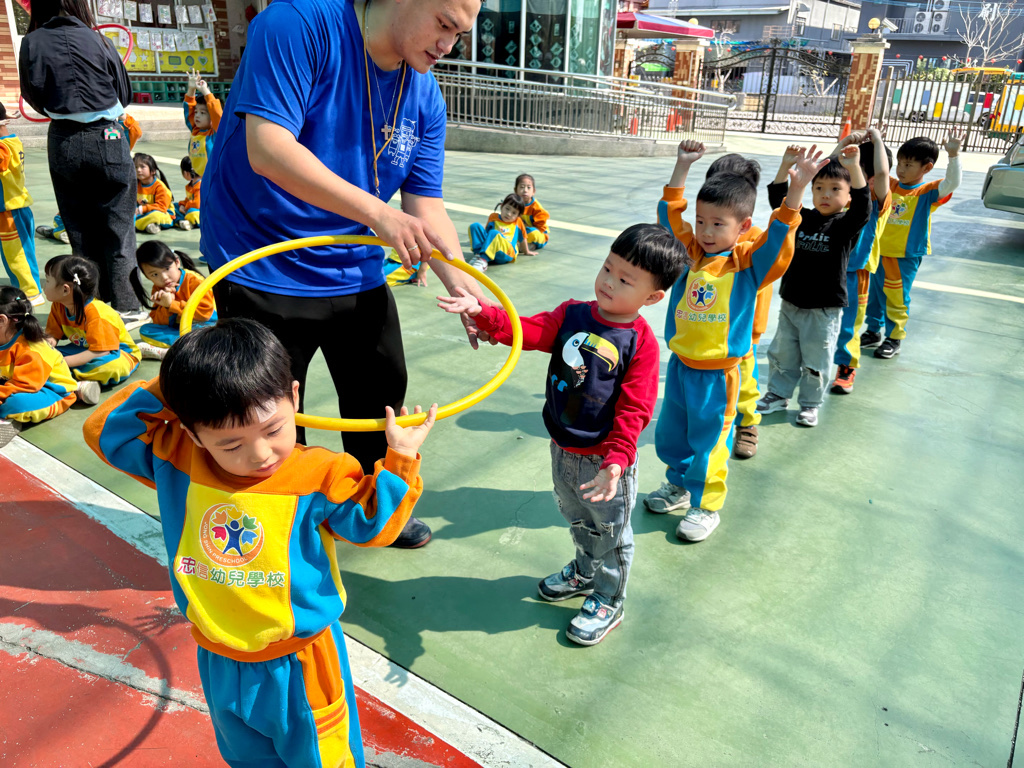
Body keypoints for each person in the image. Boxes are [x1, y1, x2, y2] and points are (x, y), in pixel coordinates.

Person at [83, 318, 436, 768]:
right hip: (218, 655)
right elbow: (104, 429)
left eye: (273, 430)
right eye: (231, 445)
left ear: (294, 397)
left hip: (301, 661)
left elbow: (372, 525)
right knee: (247, 758)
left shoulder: (318, 472)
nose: (260, 454)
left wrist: (400, 459)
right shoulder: (178, 458)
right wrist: (187, 386)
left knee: (322, 759)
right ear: (192, 431)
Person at [200, 0, 485, 549]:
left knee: (382, 389)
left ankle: (372, 503)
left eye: (460, 34)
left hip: (353, 263)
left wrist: (460, 280)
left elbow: (425, 203)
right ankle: (283, 520)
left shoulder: (424, 92)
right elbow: (268, 148)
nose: (448, 46)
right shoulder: (298, 25)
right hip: (260, 257)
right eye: (444, 25)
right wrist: (378, 214)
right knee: (271, 410)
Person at [439, 224, 686, 645]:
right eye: (608, 268)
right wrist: (484, 313)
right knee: (577, 518)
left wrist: (616, 461)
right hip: (564, 447)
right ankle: (585, 572)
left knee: (611, 533)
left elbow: (635, 409)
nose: (609, 282)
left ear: (652, 297)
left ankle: (609, 598)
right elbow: (530, 330)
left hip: (606, 463)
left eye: (625, 280)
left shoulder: (640, 343)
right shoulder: (573, 314)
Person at [643, 139, 811, 542]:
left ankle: (707, 506)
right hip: (681, 366)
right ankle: (679, 486)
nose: (705, 231)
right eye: (701, 221)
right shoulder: (689, 253)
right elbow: (669, 217)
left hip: (718, 375)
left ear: (743, 227)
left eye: (718, 224)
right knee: (673, 434)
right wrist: (682, 166)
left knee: (711, 442)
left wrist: (797, 189)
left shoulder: (747, 265)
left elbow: (779, 238)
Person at [19, 0, 143, 322]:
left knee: (79, 229)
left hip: (63, 138)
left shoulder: (32, 41)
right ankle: (127, 306)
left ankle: (91, 306)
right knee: (119, 226)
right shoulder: (99, 39)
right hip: (107, 136)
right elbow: (124, 93)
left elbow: (32, 94)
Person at [756, 145, 870, 427]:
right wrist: (786, 165)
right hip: (791, 303)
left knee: (816, 361)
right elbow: (779, 200)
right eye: (819, 188)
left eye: (835, 189)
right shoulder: (802, 218)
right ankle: (778, 394)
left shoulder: (845, 225)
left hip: (823, 309)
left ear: (848, 195)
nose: (825, 195)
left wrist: (854, 167)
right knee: (782, 354)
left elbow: (864, 207)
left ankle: (810, 404)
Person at [862, 130, 961, 360]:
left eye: (908, 165)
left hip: (903, 256)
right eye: (899, 163)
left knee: (896, 297)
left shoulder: (928, 192)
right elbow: (878, 170)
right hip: (877, 252)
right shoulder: (890, 185)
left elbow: (952, 182)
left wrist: (954, 156)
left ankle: (894, 337)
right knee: (874, 295)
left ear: (927, 168)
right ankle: (873, 331)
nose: (901, 169)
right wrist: (877, 144)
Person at [831, 127, 892, 394]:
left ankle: (846, 366)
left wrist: (877, 139)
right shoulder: (840, 198)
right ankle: (811, 363)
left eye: (860, 171)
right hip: (829, 266)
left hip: (857, 273)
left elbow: (883, 174)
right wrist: (844, 142)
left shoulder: (877, 204)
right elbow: (827, 168)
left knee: (849, 324)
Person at [42, 254, 140, 403]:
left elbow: (100, 351)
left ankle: (65, 378)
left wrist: (62, 362)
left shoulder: (98, 314)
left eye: (48, 280)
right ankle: (80, 382)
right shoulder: (59, 305)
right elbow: (53, 334)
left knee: (110, 367)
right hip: (81, 350)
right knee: (39, 355)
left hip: (115, 352)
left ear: (65, 289)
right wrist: (47, 345)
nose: (44, 285)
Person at [37, 111, 142, 245]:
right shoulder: (113, 129)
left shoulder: (116, 128)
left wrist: (122, 115)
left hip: (102, 181)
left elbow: (135, 131)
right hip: (98, 179)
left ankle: (60, 232)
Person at [0, 286, 78, 448]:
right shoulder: (5, 337)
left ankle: (9, 420)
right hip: (13, 382)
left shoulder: (31, 349)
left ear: (2, 320)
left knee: (17, 403)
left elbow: (26, 386)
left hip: (50, 390)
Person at [130, 241, 215, 361]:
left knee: (209, 334)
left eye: (167, 268)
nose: (164, 277)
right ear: (147, 277)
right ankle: (190, 347)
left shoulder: (195, 281)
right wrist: (165, 307)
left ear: (177, 262)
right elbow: (159, 323)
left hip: (207, 325)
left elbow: (205, 315)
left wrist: (172, 304)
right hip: (182, 329)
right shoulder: (159, 288)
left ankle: (177, 349)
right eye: (154, 274)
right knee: (146, 330)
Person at [0, 103, 42, 307]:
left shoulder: (2, 149)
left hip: (10, 212)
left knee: (18, 256)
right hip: (13, 209)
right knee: (16, 255)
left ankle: (30, 294)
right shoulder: (11, 141)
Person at [467, 193, 532, 270]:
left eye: (514, 213)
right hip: (492, 251)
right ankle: (478, 255)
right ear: (502, 206)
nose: (509, 214)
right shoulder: (493, 217)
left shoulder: (518, 222)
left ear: (518, 216)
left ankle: (483, 261)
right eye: (507, 208)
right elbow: (486, 236)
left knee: (494, 233)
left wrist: (526, 251)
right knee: (475, 226)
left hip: (507, 253)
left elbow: (523, 238)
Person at [183, 68, 223, 178]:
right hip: (199, 178)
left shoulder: (215, 134)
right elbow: (188, 108)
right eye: (196, 112)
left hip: (214, 178)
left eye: (203, 113)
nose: (197, 115)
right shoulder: (195, 130)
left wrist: (206, 91)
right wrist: (191, 89)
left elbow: (217, 114)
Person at [134, 153, 176, 234]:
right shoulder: (136, 184)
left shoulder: (160, 187)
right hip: (143, 213)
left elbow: (161, 207)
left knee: (155, 216)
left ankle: (136, 224)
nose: (138, 170)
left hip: (164, 214)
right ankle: (148, 225)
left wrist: (141, 209)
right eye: (136, 167)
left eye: (142, 167)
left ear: (153, 171)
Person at [514, 173, 550, 250]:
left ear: (534, 191)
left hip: (537, 235)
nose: (525, 190)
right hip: (520, 233)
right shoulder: (513, 204)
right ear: (515, 190)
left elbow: (540, 229)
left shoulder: (537, 208)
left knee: (532, 232)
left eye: (529, 187)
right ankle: (521, 245)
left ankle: (521, 245)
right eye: (522, 187)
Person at [177, 157, 201, 230]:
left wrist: (186, 206)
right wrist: (182, 204)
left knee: (192, 212)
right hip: (191, 208)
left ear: (186, 173)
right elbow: (188, 199)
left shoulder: (200, 185)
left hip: (200, 211)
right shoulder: (191, 185)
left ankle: (189, 222)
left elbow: (197, 204)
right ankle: (186, 221)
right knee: (175, 206)